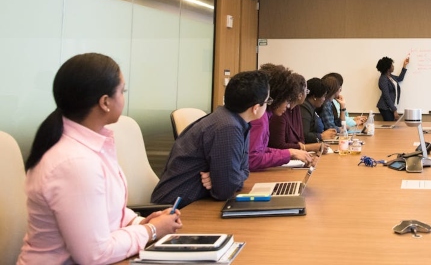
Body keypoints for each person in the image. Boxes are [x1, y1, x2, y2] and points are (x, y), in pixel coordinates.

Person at [18, 53, 182, 264]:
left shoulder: (92, 145)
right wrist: (151, 231)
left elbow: (109, 211)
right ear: (105, 102)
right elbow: (95, 254)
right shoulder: (74, 162)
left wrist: (141, 221)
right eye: (122, 91)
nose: (124, 97)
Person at [151, 70, 270, 208]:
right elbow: (225, 191)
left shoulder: (236, 121)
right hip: (176, 210)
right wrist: (225, 181)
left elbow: (244, 170)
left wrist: (222, 179)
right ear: (255, 108)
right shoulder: (227, 127)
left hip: (195, 202)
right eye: (268, 101)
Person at [248, 64, 315, 171]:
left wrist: (292, 152)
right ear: (277, 97)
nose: (288, 106)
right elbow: (252, 159)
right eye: (287, 101)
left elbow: (260, 150)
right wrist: (289, 153)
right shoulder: (260, 118)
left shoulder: (265, 114)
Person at [301, 78, 336, 143]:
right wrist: (321, 136)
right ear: (314, 97)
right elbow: (303, 134)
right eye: (323, 96)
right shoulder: (304, 107)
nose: (324, 99)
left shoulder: (311, 107)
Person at [376, 56, 409, 121]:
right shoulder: (383, 79)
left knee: (392, 126)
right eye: (392, 65)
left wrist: (404, 65)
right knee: (390, 127)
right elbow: (386, 96)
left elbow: (400, 78)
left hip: (390, 107)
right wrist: (394, 110)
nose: (393, 66)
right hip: (385, 107)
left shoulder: (390, 77)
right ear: (388, 68)